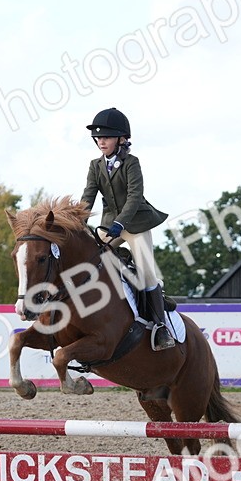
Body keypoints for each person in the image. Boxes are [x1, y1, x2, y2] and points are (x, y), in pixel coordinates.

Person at [79, 107, 175, 351]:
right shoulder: (95, 165)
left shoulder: (132, 163)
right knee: (87, 259)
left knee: (146, 273)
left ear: (121, 139)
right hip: (110, 224)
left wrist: (120, 223)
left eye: (107, 137)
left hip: (135, 224)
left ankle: (160, 326)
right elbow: (88, 195)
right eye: (98, 137)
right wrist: (77, 220)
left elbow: (134, 197)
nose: (101, 141)